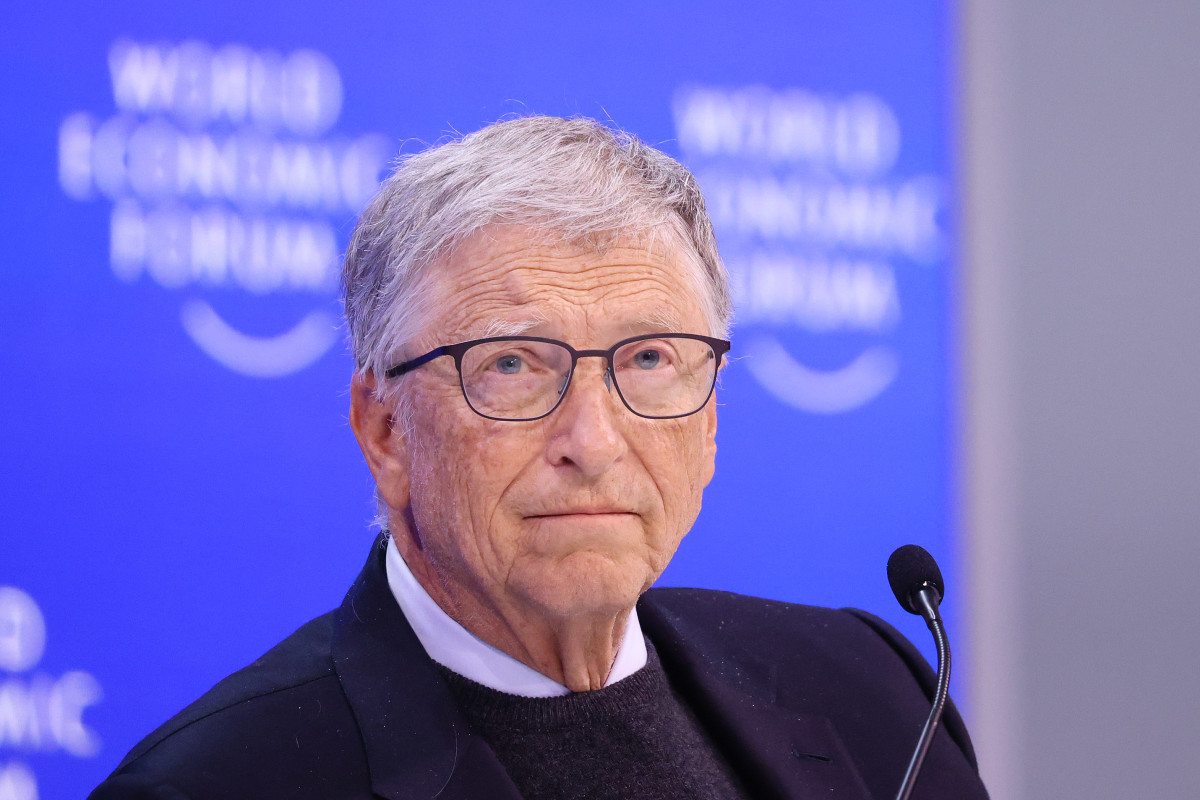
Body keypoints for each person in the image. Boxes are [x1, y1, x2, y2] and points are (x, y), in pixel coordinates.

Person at [90, 116, 989, 799]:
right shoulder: (215, 783)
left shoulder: (874, 688)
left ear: (710, 420)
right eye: (512, 365)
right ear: (385, 432)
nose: (592, 443)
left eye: (648, 358)